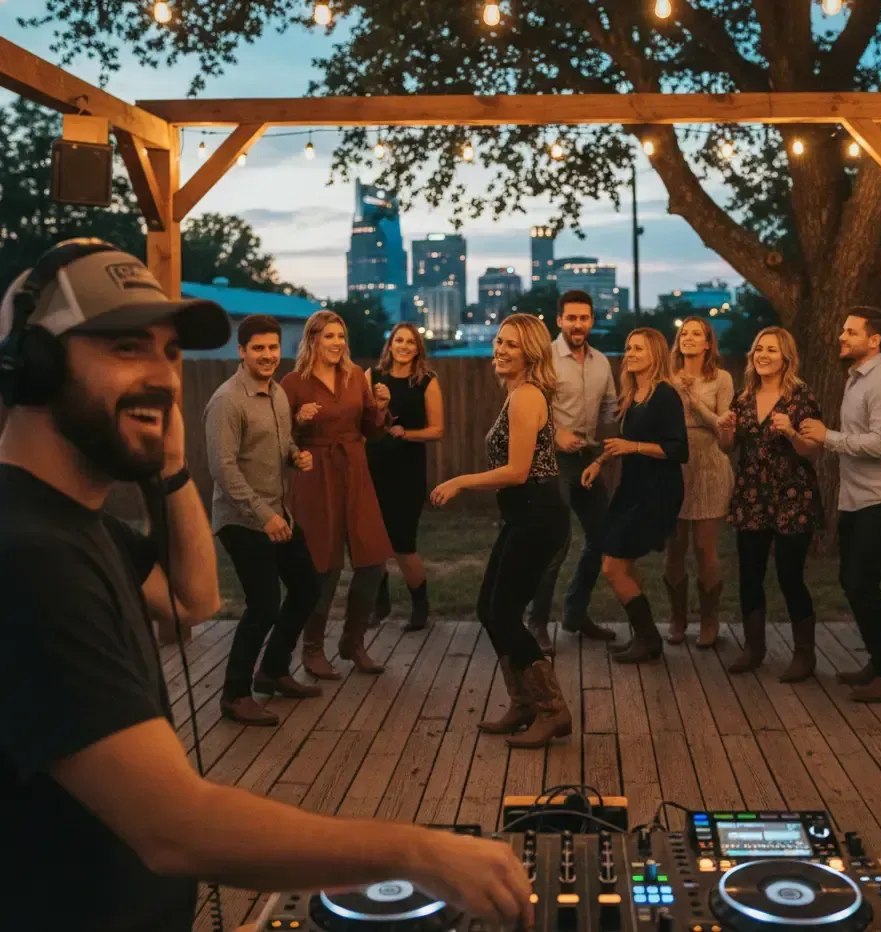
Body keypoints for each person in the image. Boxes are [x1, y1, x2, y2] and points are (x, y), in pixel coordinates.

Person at [0, 240, 533, 932]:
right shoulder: (26, 556)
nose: (162, 377)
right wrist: (418, 851)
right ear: (31, 368)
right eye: (126, 347)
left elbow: (194, 599)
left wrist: (170, 468)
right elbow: (176, 827)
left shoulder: (79, 528)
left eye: (169, 354)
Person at [431, 314, 572, 749]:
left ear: (531, 351)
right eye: (498, 341)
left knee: (505, 612)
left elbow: (517, 471)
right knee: (488, 609)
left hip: (538, 515)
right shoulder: (515, 394)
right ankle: (525, 704)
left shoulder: (528, 396)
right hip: (522, 516)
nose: (500, 349)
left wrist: (459, 481)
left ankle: (553, 711)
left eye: (511, 344)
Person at [205, 315, 322, 727]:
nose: (268, 355)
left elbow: (282, 440)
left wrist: (295, 455)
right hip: (241, 518)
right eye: (258, 348)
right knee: (264, 603)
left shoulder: (276, 394)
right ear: (242, 352)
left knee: (308, 586)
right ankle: (235, 696)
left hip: (276, 511)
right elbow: (223, 469)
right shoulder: (227, 401)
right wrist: (265, 515)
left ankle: (272, 671)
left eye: (273, 347)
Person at [799, 307, 881, 703]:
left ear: (874, 339)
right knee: (853, 581)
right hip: (857, 498)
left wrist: (827, 436)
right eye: (842, 329)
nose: (841, 336)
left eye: (850, 331)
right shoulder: (857, 379)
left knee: (861, 581)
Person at [281, 311, 393, 677]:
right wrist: (298, 422)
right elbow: (280, 442)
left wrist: (381, 407)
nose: (337, 343)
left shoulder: (356, 376)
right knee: (322, 565)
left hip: (355, 470)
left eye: (341, 336)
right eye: (329, 336)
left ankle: (353, 642)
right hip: (316, 475)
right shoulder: (293, 383)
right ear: (312, 339)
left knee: (373, 559)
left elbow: (372, 430)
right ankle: (312, 649)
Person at [718, 327, 822, 682]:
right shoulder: (743, 397)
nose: (762, 355)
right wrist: (726, 429)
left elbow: (814, 450)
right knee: (750, 575)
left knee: (790, 576)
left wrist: (791, 432)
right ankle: (754, 648)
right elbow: (728, 447)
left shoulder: (801, 398)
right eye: (758, 348)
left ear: (785, 358)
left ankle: (804, 655)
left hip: (792, 495)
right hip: (751, 496)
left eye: (771, 350)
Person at [582, 328, 688, 664]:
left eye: (638, 348)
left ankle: (649, 640)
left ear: (655, 353)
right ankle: (644, 636)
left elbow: (679, 450)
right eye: (628, 347)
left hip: (657, 491)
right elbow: (624, 443)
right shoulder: (633, 394)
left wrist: (634, 447)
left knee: (613, 567)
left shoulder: (665, 395)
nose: (630, 353)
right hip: (632, 488)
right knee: (618, 564)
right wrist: (600, 461)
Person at [527, 290, 617, 653]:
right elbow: (523, 409)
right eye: (571, 318)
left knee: (602, 538)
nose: (578, 324)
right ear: (559, 320)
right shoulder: (543, 359)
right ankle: (536, 621)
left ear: (592, 320)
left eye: (584, 318)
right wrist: (554, 432)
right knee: (556, 542)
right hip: (551, 459)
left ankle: (575, 614)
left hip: (589, 459)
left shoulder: (601, 363)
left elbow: (611, 409)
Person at [366, 323, 445, 631]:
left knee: (402, 544)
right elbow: (361, 420)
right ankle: (380, 603)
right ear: (390, 344)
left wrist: (406, 433)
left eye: (410, 342)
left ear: (417, 348)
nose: (404, 346)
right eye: (399, 340)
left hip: (407, 471)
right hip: (373, 467)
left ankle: (420, 606)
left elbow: (437, 430)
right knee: (374, 542)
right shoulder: (371, 378)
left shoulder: (426, 381)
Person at [665, 316, 734, 647]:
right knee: (674, 548)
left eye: (697, 334)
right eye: (684, 333)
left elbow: (722, 426)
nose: (689, 338)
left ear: (708, 343)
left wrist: (693, 400)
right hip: (674, 467)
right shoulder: (666, 378)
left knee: (705, 548)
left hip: (709, 465)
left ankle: (709, 619)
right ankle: (678, 619)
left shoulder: (721, 379)